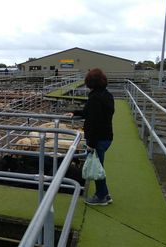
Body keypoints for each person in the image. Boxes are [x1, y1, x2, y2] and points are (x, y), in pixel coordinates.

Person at [65, 68, 115, 206]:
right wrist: (75, 112)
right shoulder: (106, 95)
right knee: (98, 165)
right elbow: (89, 113)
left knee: (96, 166)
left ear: (90, 83)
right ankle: (104, 193)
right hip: (106, 136)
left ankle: (102, 196)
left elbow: (94, 122)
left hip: (98, 139)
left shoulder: (94, 98)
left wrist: (91, 144)